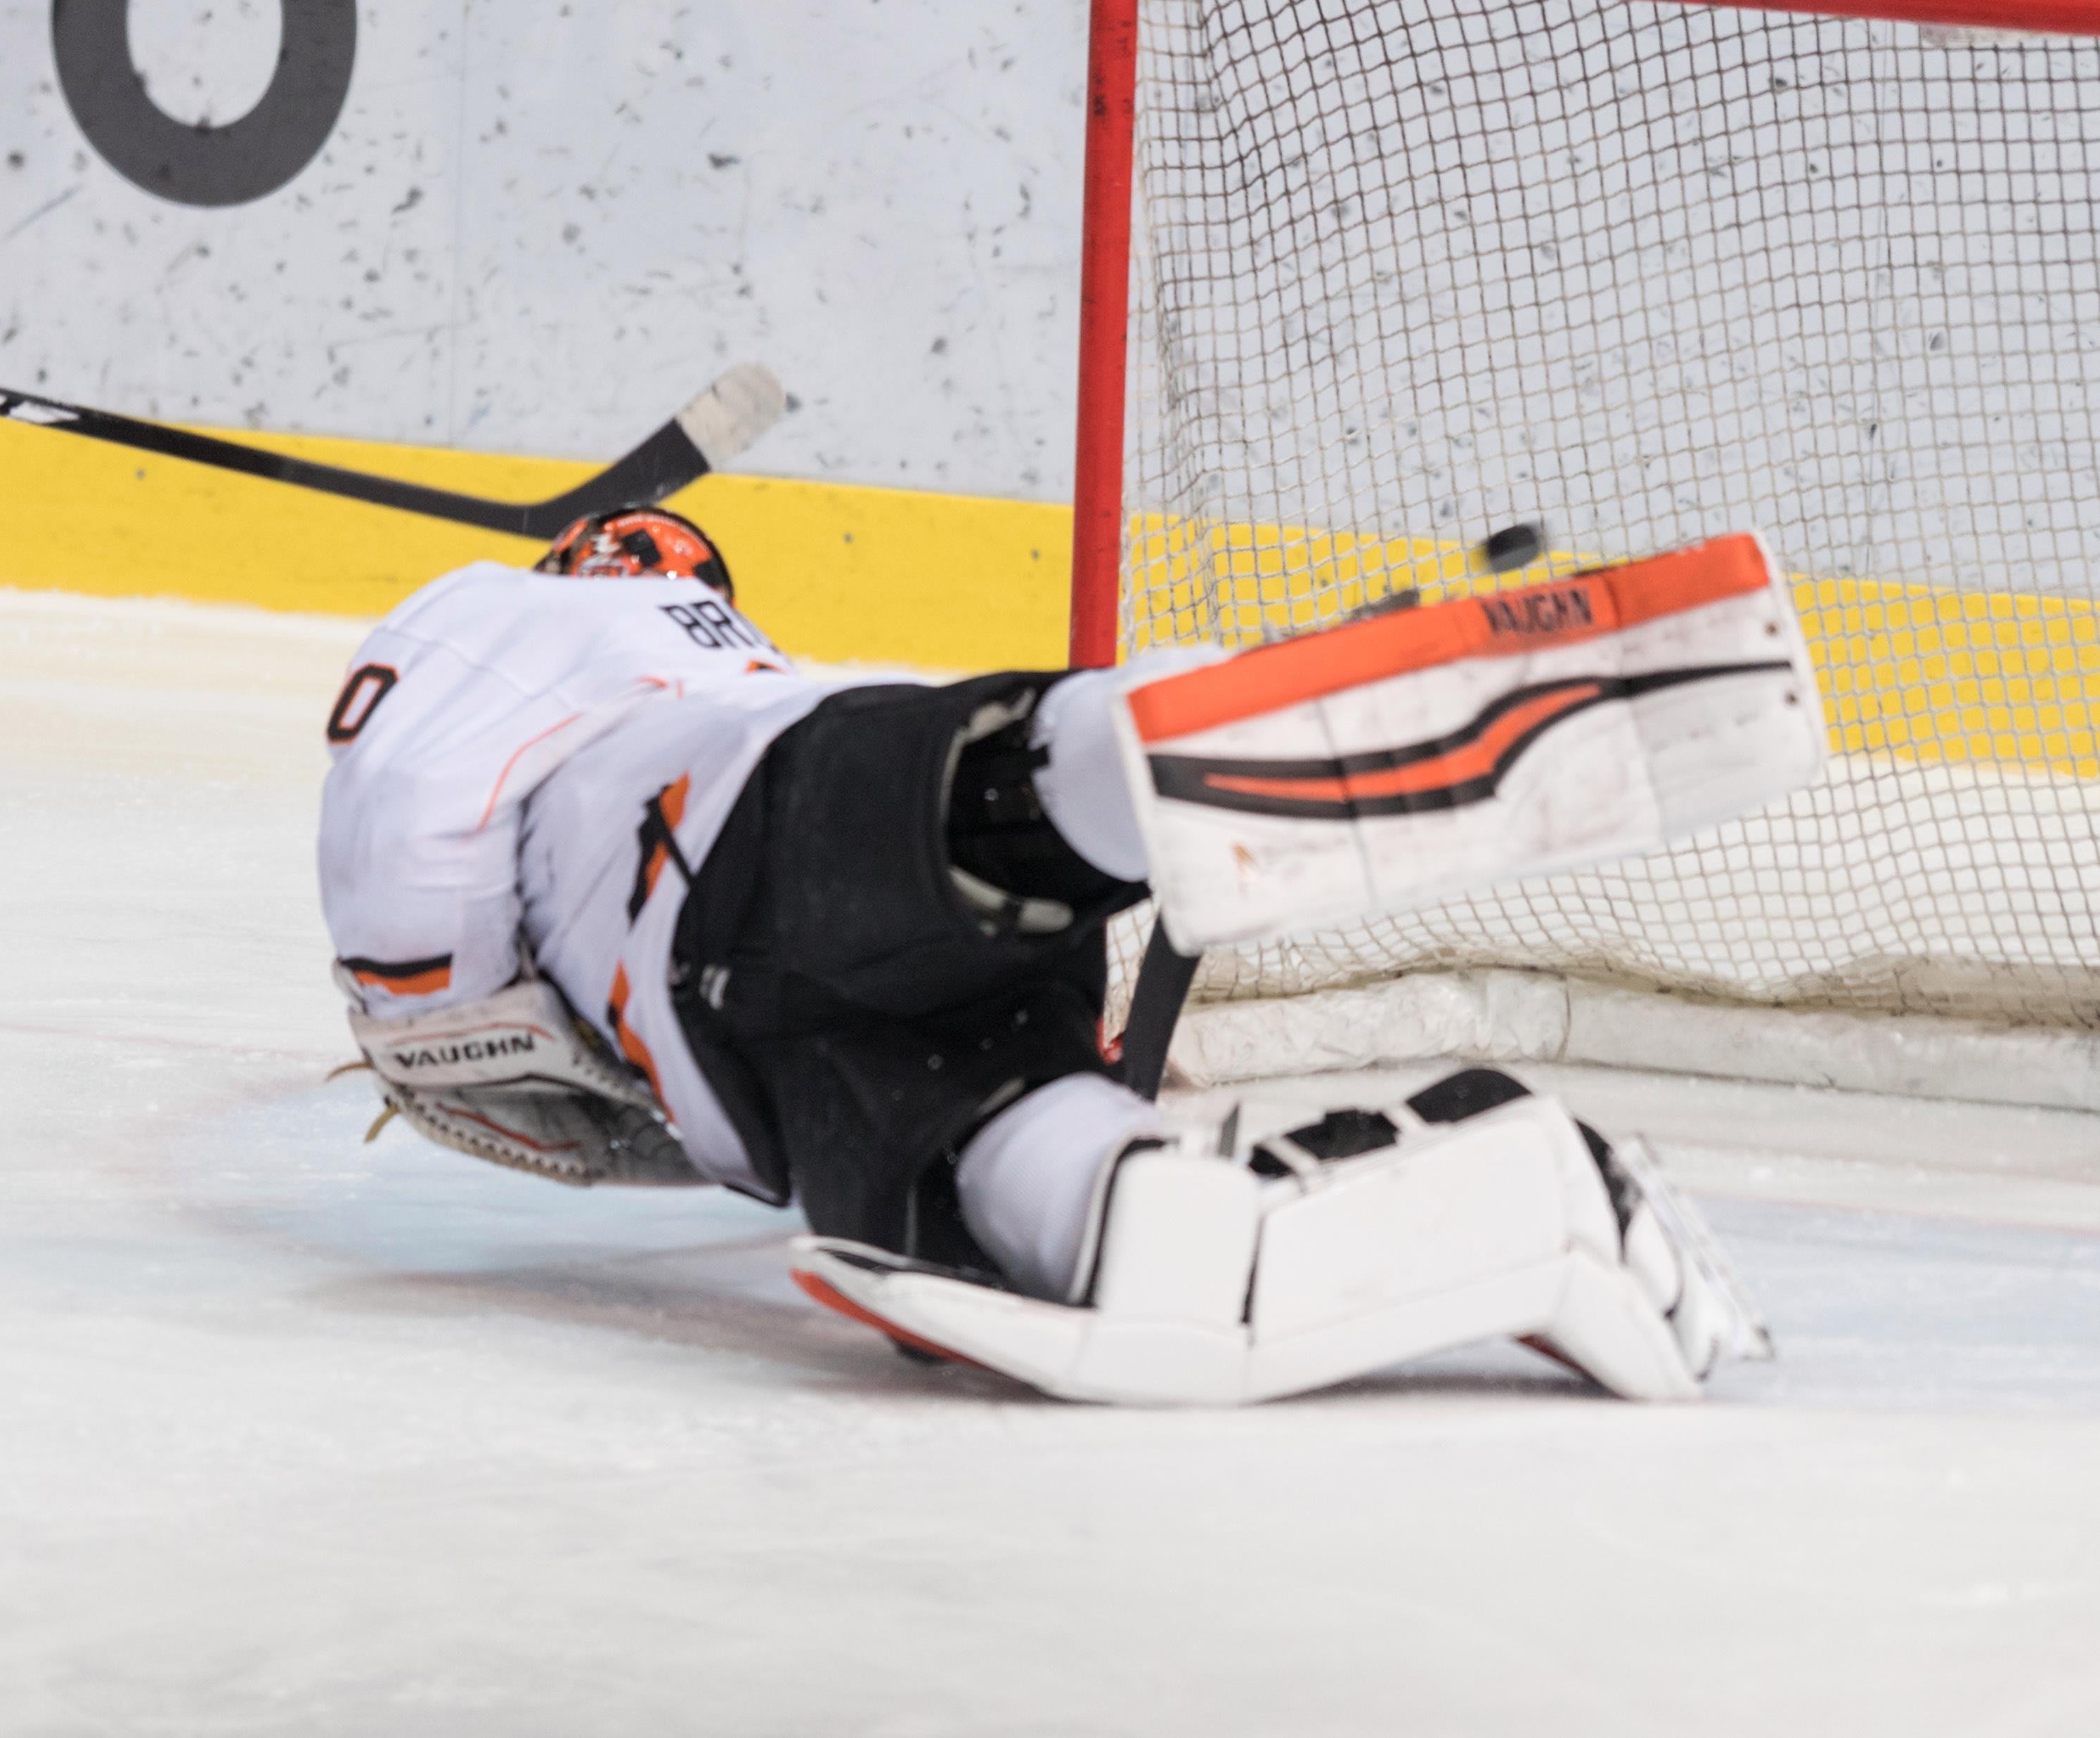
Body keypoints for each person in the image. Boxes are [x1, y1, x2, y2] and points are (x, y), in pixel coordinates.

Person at [316, 507, 1783, 1404]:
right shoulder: (724, 660)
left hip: (750, 889)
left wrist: (433, 1015)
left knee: (991, 817)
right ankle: (1543, 1205)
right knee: (1106, 1205)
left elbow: (403, 851)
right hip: (793, 1026)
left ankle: (1203, 728)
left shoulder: (513, 619)